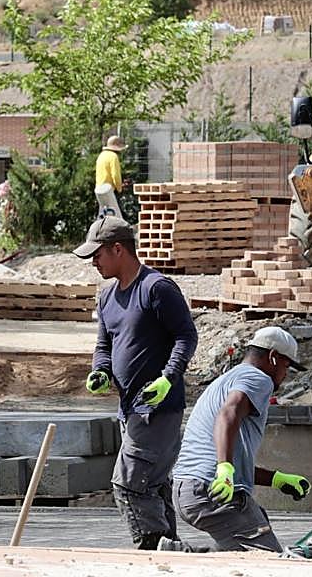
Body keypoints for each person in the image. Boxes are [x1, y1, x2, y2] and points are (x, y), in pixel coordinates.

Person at [72, 215, 198, 550]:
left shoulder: (156, 288)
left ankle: (153, 550)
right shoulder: (106, 296)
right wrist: (100, 370)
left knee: (128, 485)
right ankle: (174, 556)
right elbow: (105, 345)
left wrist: (169, 377)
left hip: (158, 408)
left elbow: (186, 336)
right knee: (152, 485)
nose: (93, 263)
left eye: (97, 255)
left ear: (118, 249)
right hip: (129, 410)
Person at [171, 326, 312, 552]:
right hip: (212, 491)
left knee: (244, 541)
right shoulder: (258, 378)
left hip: (187, 490)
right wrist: (225, 469)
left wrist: (277, 479)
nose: (285, 376)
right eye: (286, 367)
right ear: (273, 358)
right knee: (267, 560)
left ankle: (180, 555)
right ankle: (178, 556)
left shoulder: (225, 380)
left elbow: (221, 452)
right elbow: (228, 414)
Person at [94, 135, 126, 219]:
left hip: (98, 189)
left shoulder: (101, 155)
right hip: (108, 188)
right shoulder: (113, 156)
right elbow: (115, 175)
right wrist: (119, 188)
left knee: (103, 216)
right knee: (117, 217)